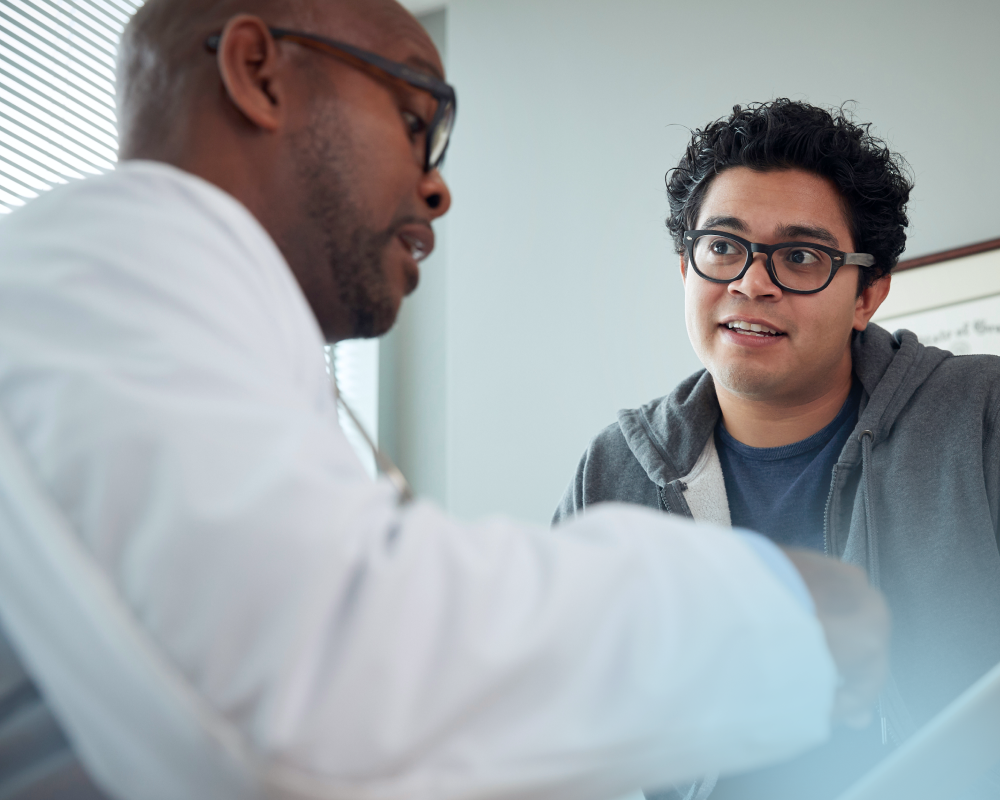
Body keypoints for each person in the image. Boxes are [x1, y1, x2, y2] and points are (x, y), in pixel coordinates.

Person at [0, 5, 890, 798]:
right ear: (258, 73)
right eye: (415, 121)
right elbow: (320, 693)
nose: (437, 186)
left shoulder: (196, 326)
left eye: (802, 258)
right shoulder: (105, 269)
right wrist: (769, 607)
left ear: (867, 293)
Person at [554, 99, 1000, 800]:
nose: (752, 282)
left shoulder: (979, 417)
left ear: (868, 295)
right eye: (723, 247)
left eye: (800, 257)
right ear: (685, 268)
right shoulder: (615, 471)